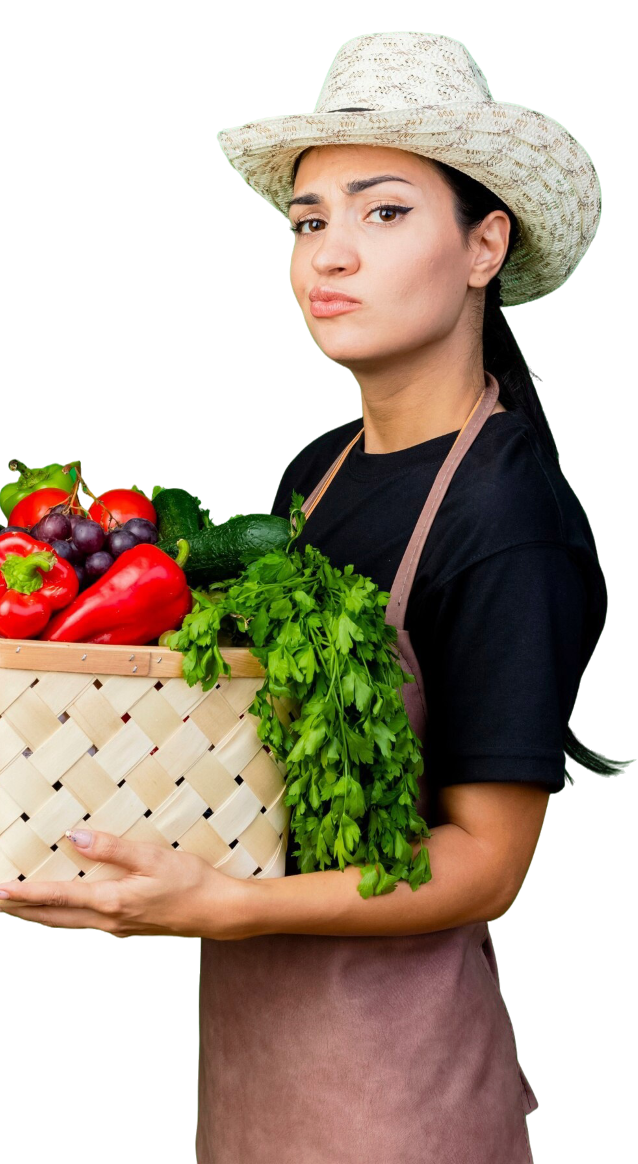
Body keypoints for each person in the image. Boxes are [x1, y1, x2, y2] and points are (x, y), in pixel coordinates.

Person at [196, 30, 631, 1164]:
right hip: (250, 1059)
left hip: (396, 1106)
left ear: (484, 244)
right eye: (308, 221)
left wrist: (215, 904)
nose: (327, 256)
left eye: (382, 212)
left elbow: (485, 865)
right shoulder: (311, 475)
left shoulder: (505, 524)